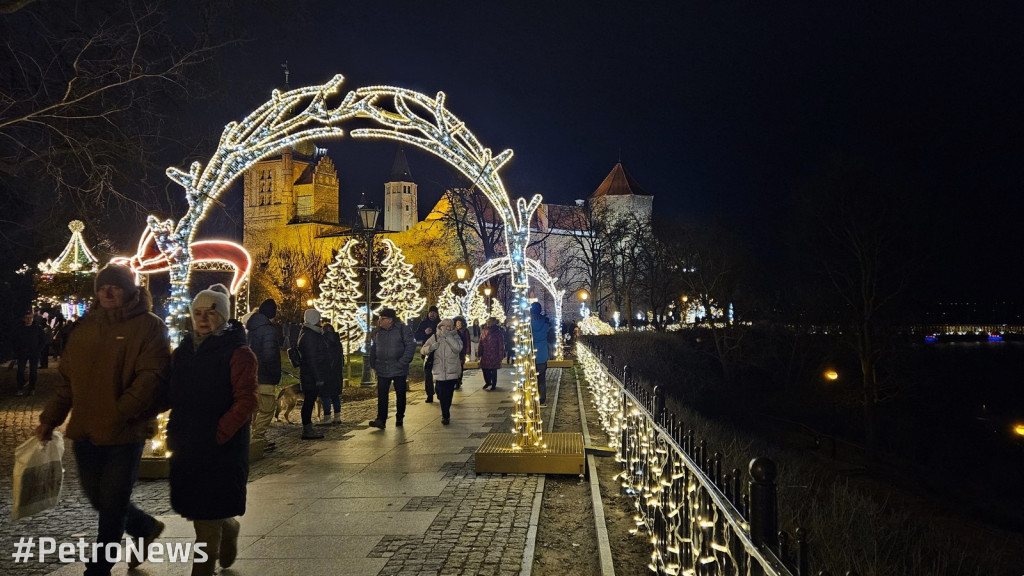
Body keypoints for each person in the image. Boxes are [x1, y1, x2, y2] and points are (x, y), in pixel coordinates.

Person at [36, 263, 170, 575]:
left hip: (126, 431)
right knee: (98, 497)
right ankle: (145, 526)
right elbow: (66, 380)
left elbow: (150, 377)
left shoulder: (148, 326)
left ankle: (98, 568)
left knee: (112, 502)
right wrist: (50, 419)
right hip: (86, 430)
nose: (108, 292)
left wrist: (121, 411)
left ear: (129, 290)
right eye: (103, 287)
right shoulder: (85, 326)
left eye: (116, 286)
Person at [167, 284, 258, 576]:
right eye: (198, 312)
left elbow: (246, 400)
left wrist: (219, 433)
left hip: (221, 447)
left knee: (206, 519)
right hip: (187, 441)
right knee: (199, 511)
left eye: (211, 312)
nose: (203, 318)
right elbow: (170, 390)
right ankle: (227, 527)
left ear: (224, 315)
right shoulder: (183, 351)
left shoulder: (238, 353)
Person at [368, 308, 414, 429]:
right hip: (382, 367)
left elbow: (410, 346)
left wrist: (402, 362)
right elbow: (374, 347)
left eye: (382, 319)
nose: (379, 321)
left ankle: (399, 416)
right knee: (382, 395)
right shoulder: (378, 331)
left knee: (400, 394)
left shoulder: (402, 329)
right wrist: (373, 362)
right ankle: (381, 419)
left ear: (390, 320)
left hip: (398, 367)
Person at [246, 298, 281, 453]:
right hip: (265, 375)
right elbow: (270, 355)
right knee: (267, 408)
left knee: (255, 408)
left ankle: (251, 438)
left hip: (252, 374)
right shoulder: (268, 330)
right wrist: (274, 373)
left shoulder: (252, 328)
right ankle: (258, 439)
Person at [420, 318, 462, 425]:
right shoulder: (434, 337)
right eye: (444, 326)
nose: (447, 328)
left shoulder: (455, 336)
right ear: (440, 326)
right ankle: (445, 411)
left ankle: (445, 414)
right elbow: (423, 349)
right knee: (441, 393)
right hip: (438, 370)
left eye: (449, 326)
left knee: (448, 394)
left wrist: (448, 336)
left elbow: (457, 348)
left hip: (451, 371)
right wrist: (430, 348)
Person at [297, 309, 330, 439]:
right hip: (311, 375)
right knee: (309, 401)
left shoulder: (307, 333)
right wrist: (318, 377)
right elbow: (312, 359)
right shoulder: (310, 335)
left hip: (309, 374)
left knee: (309, 401)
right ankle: (307, 429)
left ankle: (308, 427)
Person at [317, 322, 344, 425]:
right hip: (337, 373)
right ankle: (337, 417)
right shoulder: (338, 342)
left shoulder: (322, 341)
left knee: (326, 396)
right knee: (335, 396)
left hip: (326, 372)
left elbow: (322, 358)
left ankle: (327, 417)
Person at [13, 310, 46, 396]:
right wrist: (17, 350)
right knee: (20, 370)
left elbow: (43, 340)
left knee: (33, 371)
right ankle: (20, 387)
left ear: (32, 319)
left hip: (34, 352)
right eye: (27, 318)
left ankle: (32, 388)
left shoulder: (37, 328)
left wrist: (38, 350)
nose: (28, 320)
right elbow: (15, 340)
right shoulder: (19, 329)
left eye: (30, 318)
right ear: (24, 319)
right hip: (22, 352)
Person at [530, 302, 556, 406]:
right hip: (542, 354)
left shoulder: (528, 323)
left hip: (531, 354)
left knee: (532, 378)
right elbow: (551, 337)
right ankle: (542, 400)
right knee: (542, 379)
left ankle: (532, 399)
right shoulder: (545, 323)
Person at [414, 305, 441, 403]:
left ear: (437, 314)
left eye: (434, 313)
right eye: (431, 312)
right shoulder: (424, 323)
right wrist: (424, 333)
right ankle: (429, 394)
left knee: (439, 374)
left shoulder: (440, 323)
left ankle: (439, 393)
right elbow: (416, 335)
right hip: (427, 353)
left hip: (438, 353)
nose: (432, 314)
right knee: (428, 375)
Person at [478, 317, 506, 390]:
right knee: (485, 369)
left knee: (493, 369)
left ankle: (493, 384)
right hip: (485, 353)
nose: (488, 323)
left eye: (489, 322)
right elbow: (480, 342)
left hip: (494, 353)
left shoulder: (498, 332)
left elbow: (501, 344)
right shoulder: (484, 331)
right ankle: (488, 382)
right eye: (487, 321)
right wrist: (479, 351)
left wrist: (501, 354)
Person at [453, 316, 470, 390]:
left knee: (460, 366)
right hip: (454, 352)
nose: (458, 323)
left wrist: (467, 352)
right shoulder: (452, 330)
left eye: (460, 322)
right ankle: (455, 381)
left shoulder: (465, 331)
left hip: (461, 351)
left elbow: (467, 341)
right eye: (457, 322)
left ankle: (459, 380)